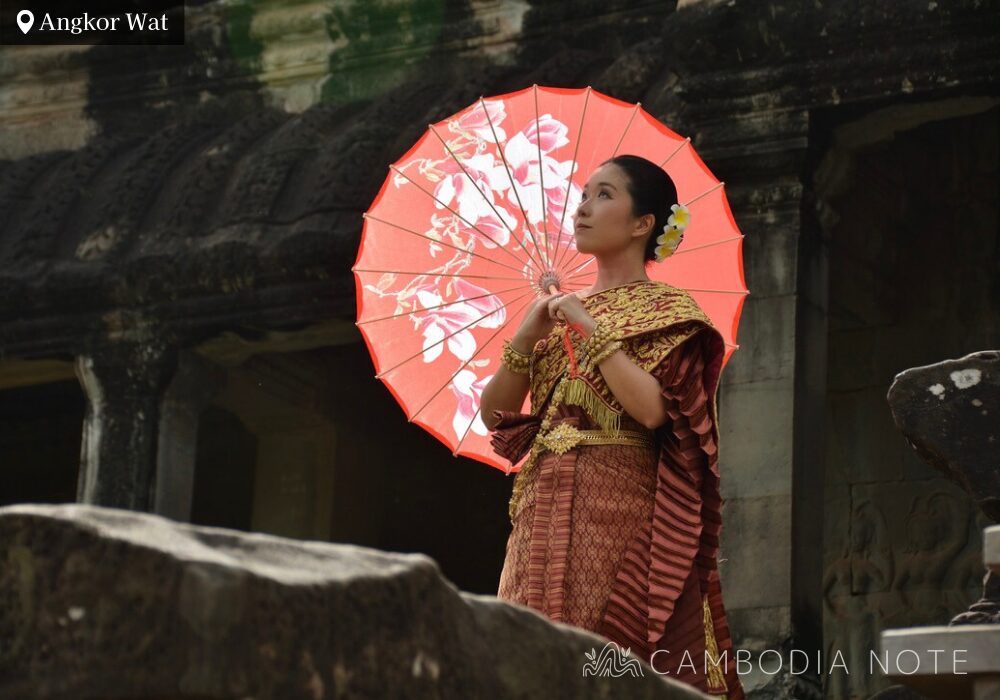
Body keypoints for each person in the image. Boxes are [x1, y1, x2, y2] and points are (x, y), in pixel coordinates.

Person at [480, 155, 745, 699]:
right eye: (582, 195)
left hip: (620, 508)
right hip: (539, 508)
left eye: (603, 195)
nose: (582, 208)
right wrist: (529, 332)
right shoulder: (551, 319)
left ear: (643, 223)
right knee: (522, 655)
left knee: (608, 654)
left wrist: (588, 325)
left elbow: (652, 411)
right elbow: (496, 417)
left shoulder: (669, 312)